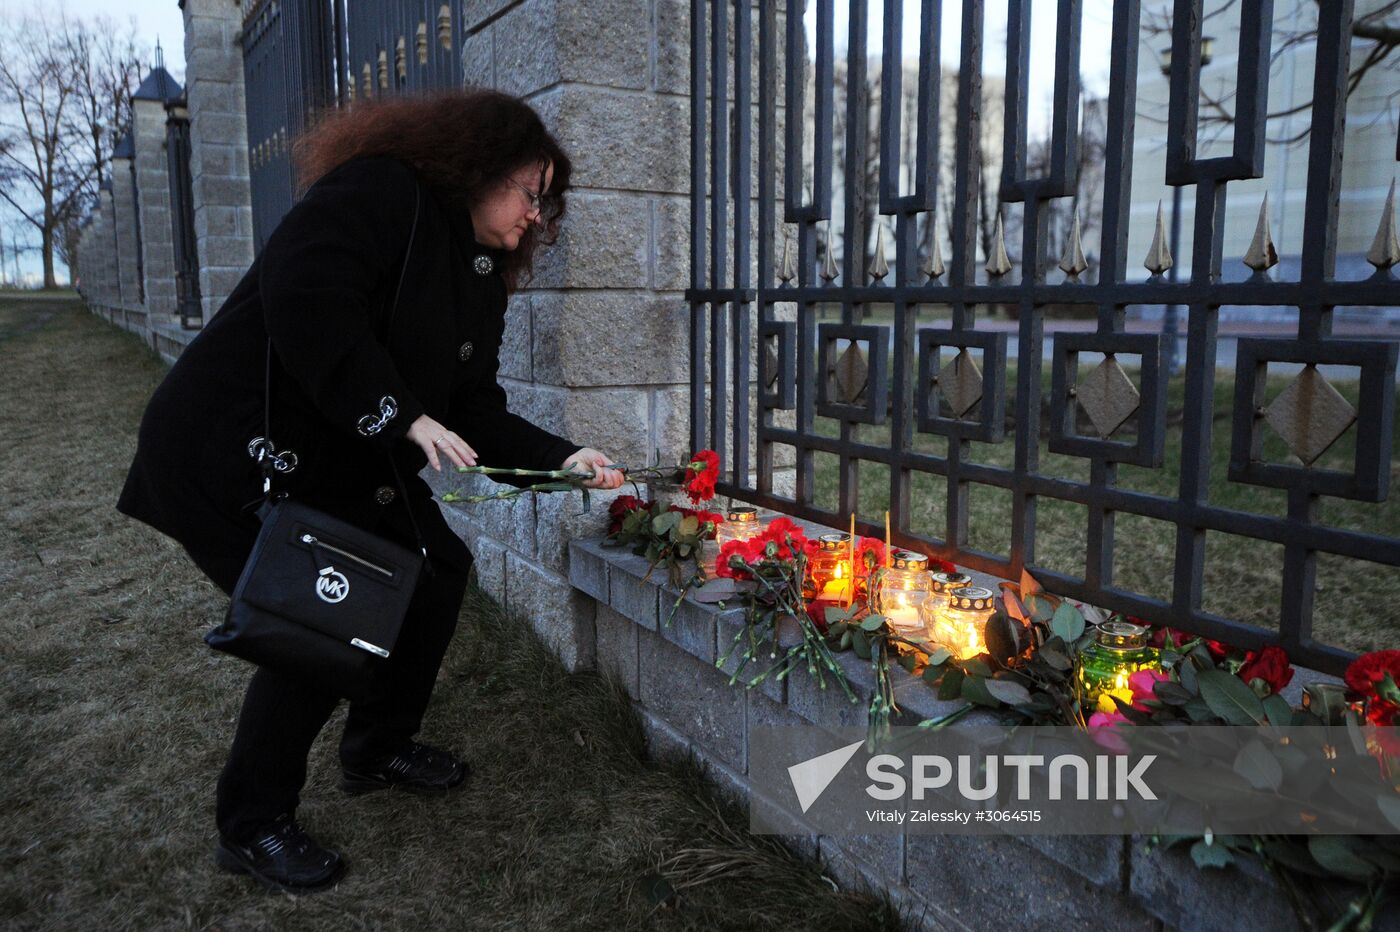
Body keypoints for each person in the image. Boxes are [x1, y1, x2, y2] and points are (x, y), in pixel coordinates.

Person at [116, 89, 624, 894]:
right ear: (479, 165)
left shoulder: (479, 275)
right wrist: (400, 413)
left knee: (436, 570)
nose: (537, 215)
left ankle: (377, 748)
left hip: (337, 457)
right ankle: (251, 824)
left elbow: (471, 409)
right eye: (531, 192)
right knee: (321, 615)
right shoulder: (381, 191)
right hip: (233, 445)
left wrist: (564, 458)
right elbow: (306, 298)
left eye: (546, 203)